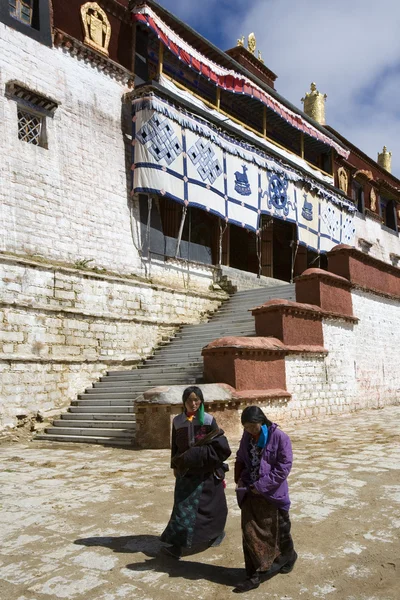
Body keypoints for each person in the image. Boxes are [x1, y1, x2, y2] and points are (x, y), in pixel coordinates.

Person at [160, 386, 231, 559]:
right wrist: (175, 467)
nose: (193, 403)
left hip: (207, 472)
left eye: (196, 400)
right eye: (190, 400)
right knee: (182, 508)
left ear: (201, 401)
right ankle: (177, 545)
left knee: (211, 507)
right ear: (184, 402)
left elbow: (219, 446)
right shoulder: (177, 422)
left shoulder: (208, 420)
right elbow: (175, 447)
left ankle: (216, 533)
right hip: (186, 472)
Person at [233, 405, 297, 593]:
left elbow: (283, 467)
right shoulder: (247, 437)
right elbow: (241, 458)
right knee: (248, 533)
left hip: (272, 494)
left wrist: (261, 486)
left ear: (262, 421)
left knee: (280, 530)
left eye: (253, 427)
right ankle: (252, 575)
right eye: (246, 427)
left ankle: (289, 556)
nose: (250, 431)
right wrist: (241, 479)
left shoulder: (280, 438)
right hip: (249, 493)